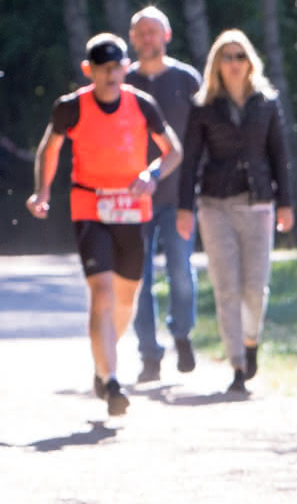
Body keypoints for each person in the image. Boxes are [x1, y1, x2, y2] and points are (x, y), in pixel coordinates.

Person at [26, 33, 184, 417]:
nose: (112, 76)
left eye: (118, 68)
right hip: (89, 204)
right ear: (89, 71)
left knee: (127, 297)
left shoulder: (142, 105)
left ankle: (104, 361)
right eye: (104, 69)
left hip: (131, 207)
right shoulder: (71, 108)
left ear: (127, 68)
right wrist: (42, 192)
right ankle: (111, 379)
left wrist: (151, 174)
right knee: (102, 292)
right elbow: (50, 148)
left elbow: (173, 151)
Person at [178, 29, 295, 395]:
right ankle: (238, 366)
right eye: (227, 57)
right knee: (226, 287)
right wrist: (184, 207)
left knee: (254, 288)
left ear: (250, 62)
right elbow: (191, 159)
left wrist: (286, 202)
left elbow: (279, 154)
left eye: (239, 56)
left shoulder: (267, 102)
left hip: (258, 202)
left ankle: (250, 341)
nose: (233, 64)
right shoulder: (203, 107)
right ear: (217, 64)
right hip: (215, 205)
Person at [126, 6, 203, 383]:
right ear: (132, 38)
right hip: (130, 199)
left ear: (166, 36)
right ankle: (149, 355)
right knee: (137, 280)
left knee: (181, 273)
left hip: (179, 195)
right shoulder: (121, 83)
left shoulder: (187, 80)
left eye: (153, 31)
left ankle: (182, 334)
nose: (147, 38)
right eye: (141, 32)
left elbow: (204, 136)